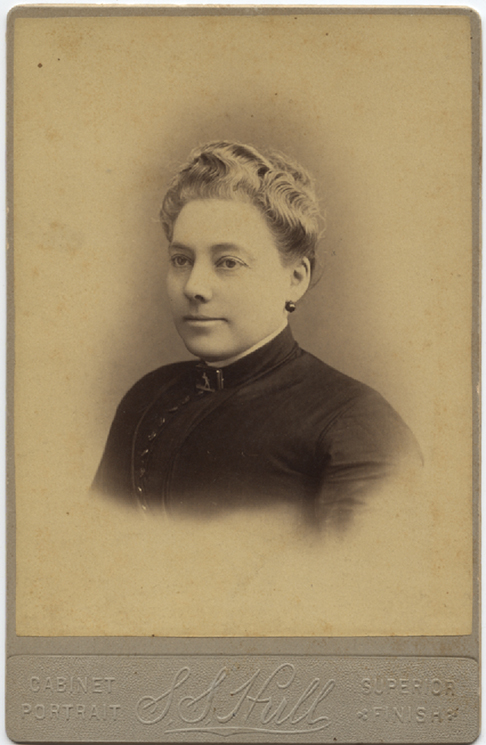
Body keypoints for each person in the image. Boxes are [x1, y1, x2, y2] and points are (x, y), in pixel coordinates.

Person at [93, 141, 420, 526]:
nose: (194, 286)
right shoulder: (148, 396)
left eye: (228, 262)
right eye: (181, 260)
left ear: (295, 278)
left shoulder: (357, 424)